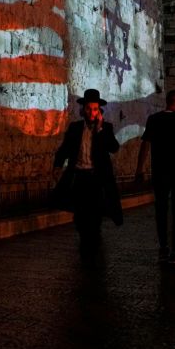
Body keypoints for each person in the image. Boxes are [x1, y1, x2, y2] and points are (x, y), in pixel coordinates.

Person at [54, 89, 122, 264]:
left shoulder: (106, 128)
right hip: (79, 178)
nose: (92, 112)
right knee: (80, 217)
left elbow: (113, 148)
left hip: (96, 180)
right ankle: (86, 244)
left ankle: (92, 248)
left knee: (95, 216)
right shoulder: (75, 128)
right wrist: (57, 165)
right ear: (84, 109)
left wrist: (100, 130)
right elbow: (65, 148)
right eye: (89, 109)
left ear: (99, 111)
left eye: (95, 109)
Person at [134, 90, 175, 265]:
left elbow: (145, 144)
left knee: (160, 210)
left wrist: (139, 169)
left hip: (160, 173)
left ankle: (163, 247)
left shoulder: (154, 119)